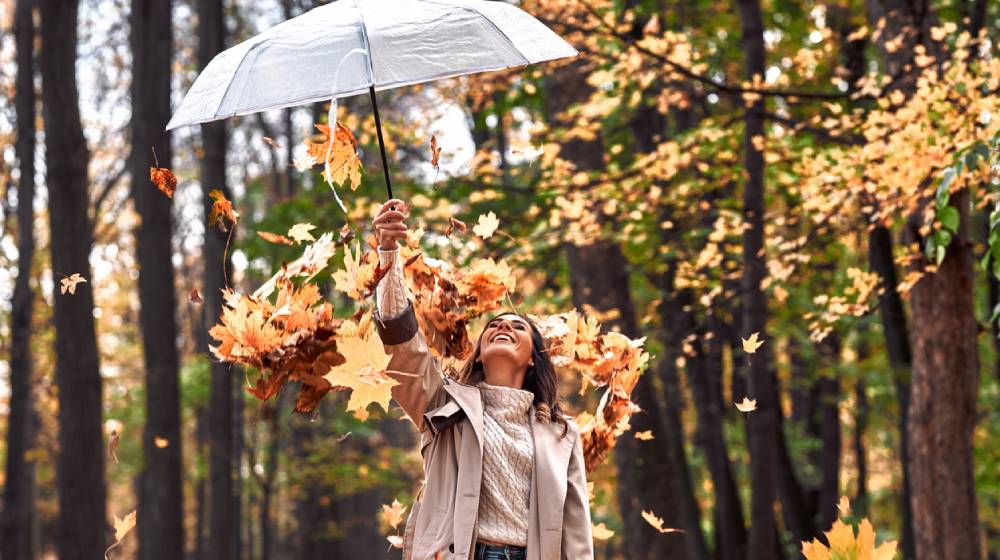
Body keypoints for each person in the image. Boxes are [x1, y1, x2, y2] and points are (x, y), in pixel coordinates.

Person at [372, 199, 594, 560]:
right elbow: (403, 348)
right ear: (477, 353)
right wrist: (388, 254)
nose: (503, 325)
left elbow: (576, 533)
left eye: (517, 326)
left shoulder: (562, 434)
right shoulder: (444, 406)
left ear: (533, 360)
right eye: (494, 325)